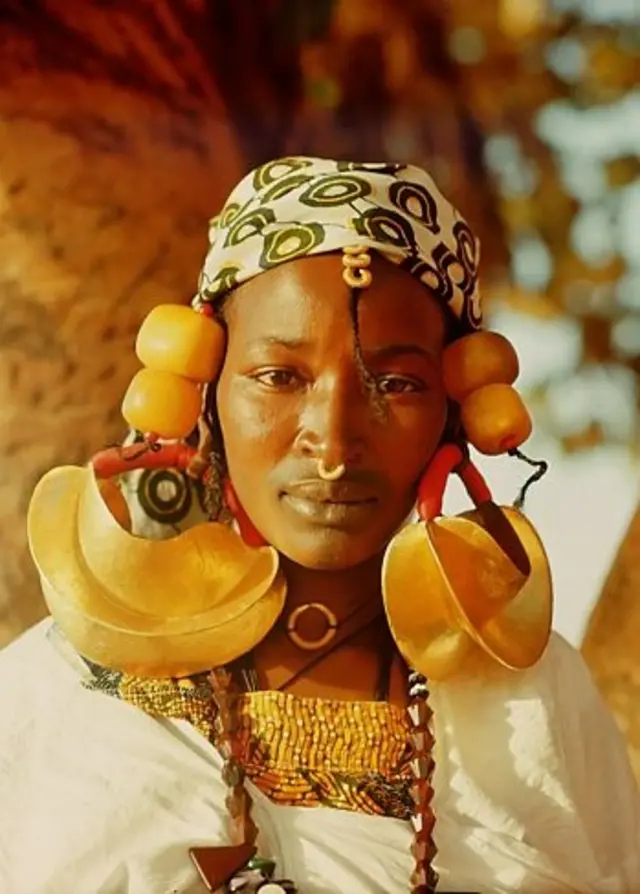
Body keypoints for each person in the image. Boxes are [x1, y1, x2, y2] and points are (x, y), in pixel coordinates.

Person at [1, 157, 639, 894]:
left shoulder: (534, 702)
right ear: (203, 395)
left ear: (456, 412)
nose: (333, 445)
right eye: (280, 377)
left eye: (395, 385)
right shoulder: (56, 694)